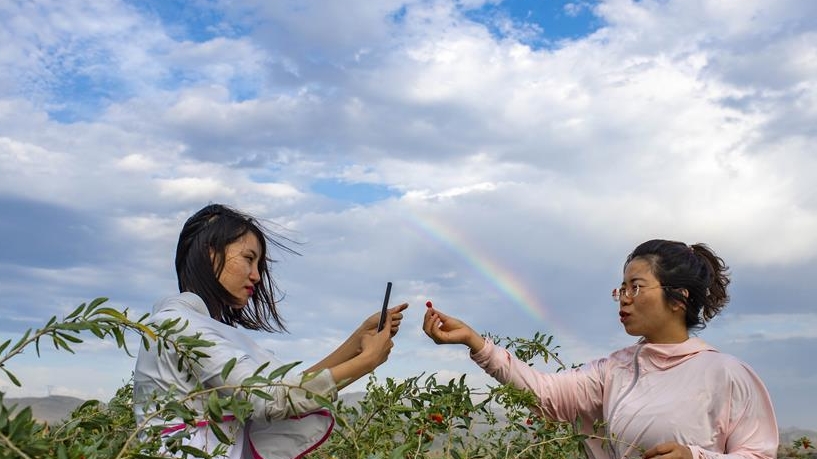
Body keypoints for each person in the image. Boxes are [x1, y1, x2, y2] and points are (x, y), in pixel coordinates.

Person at [422, 239, 778, 459]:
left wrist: (695, 457)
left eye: (635, 287)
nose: (623, 298)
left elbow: (759, 455)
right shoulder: (616, 370)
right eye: (621, 288)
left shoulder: (726, 374)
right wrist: (476, 343)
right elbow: (546, 395)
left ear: (678, 298)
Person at [133, 203, 408, 458]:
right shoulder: (182, 326)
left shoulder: (187, 323)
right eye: (248, 258)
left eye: (258, 265)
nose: (256, 275)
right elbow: (273, 399)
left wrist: (357, 342)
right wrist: (367, 361)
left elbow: (278, 390)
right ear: (210, 252)